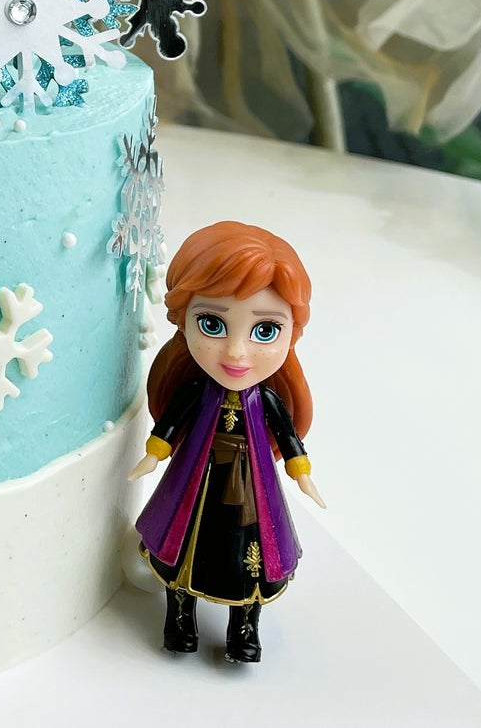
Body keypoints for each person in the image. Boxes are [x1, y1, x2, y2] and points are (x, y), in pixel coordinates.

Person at [129, 220, 324, 663]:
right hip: (195, 483)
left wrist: (302, 474)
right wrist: (153, 455)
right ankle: (180, 617)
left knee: (252, 558)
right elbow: (170, 425)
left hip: (252, 492)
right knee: (183, 548)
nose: (236, 352)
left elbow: (288, 437)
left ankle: (245, 626)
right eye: (212, 323)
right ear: (183, 321)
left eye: (265, 330)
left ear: (291, 333)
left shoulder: (265, 399)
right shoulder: (198, 391)